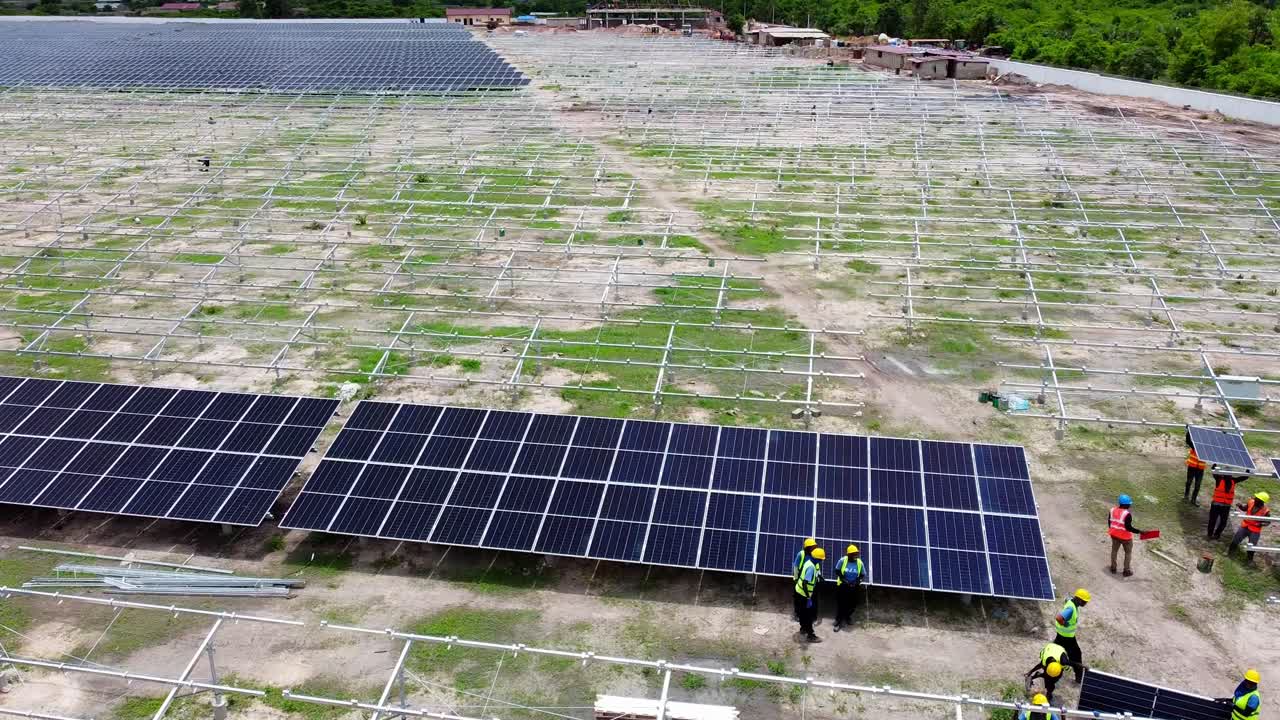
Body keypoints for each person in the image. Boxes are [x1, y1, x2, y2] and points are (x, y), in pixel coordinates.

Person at [1051, 588, 1089, 685]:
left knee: (1054, 653)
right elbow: (1059, 618)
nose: (1086, 604)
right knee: (1076, 657)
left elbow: (1067, 600)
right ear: (1079, 600)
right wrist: (1065, 624)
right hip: (1067, 638)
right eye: (1085, 602)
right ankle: (1079, 678)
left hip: (1061, 635)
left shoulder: (1071, 602)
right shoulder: (1071, 609)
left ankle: (1049, 670)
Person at [793, 546, 825, 643]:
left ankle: (803, 629)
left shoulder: (809, 562)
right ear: (816, 558)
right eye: (820, 559)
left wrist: (819, 576)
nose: (821, 561)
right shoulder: (811, 567)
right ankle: (811, 635)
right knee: (808, 616)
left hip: (799, 591)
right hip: (804, 594)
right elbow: (805, 583)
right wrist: (808, 597)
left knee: (802, 613)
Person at [1228, 492, 1271, 564]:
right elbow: (1245, 508)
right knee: (1236, 540)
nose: (1255, 498)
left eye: (1257, 498)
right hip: (1245, 525)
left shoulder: (1266, 511)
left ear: (1261, 501)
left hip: (1255, 530)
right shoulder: (1251, 502)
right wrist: (1240, 506)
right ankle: (1230, 554)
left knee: (1252, 546)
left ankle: (1249, 560)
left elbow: (1268, 522)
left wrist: (1261, 524)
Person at [1108, 495, 1144, 577]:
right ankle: (1126, 570)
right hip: (1125, 538)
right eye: (1129, 504)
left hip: (1114, 535)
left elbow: (1110, 523)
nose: (1130, 505)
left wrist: (1113, 531)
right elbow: (1129, 528)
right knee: (1128, 553)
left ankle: (1113, 568)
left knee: (1114, 551)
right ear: (1125, 505)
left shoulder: (1112, 510)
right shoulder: (1127, 514)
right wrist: (1140, 531)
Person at [832, 544, 865, 632]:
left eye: (856, 554)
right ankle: (838, 621)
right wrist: (844, 580)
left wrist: (856, 582)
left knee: (852, 604)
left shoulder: (859, 562)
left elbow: (862, 574)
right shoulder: (842, 560)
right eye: (853, 554)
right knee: (842, 604)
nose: (856, 555)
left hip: (854, 587)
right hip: (843, 586)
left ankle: (847, 617)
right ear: (849, 554)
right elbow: (837, 571)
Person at [1209, 472, 1247, 540]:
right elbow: (1214, 472)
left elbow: (1243, 478)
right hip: (1216, 504)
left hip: (1225, 506)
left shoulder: (1233, 480)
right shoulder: (1219, 479)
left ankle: (1216, 534)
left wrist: (1248, 472)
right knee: (1213, 520)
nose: (1228, 476)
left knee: (1223, 522)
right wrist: (1215, 467)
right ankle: (1210, 534)